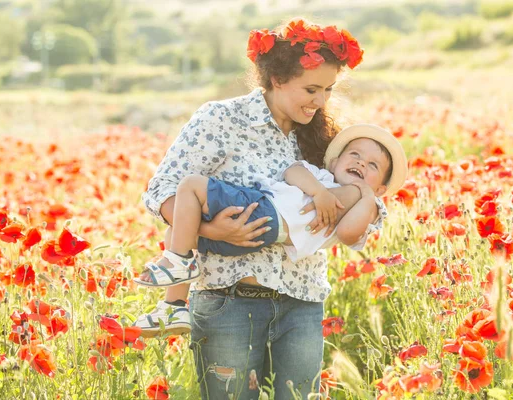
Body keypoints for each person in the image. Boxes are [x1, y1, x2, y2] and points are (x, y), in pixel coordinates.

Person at [139, 17, 407, 399]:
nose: (320, 101)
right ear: (277, 79)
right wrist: (213, 230)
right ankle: (172, 303)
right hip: (229, 302)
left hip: (302, 303)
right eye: (311, 89)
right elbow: (162, 191)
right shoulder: (221, 119)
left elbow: (350, 215)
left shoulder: (323, 138)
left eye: (328, 90)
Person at [134, 124, 407, 338]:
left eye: (373, 166)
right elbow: (292, 171)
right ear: (334, 163)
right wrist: (318, 191)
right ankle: (174, 308)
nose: (361, 163)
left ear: (381, 188)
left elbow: (348, 234)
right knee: (177, 233)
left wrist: (366, 194)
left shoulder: (368, 204)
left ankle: (179, 263)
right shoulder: (320, 177)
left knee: (191, 185)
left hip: (267, 212)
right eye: (355, 155)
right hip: (262, 226)